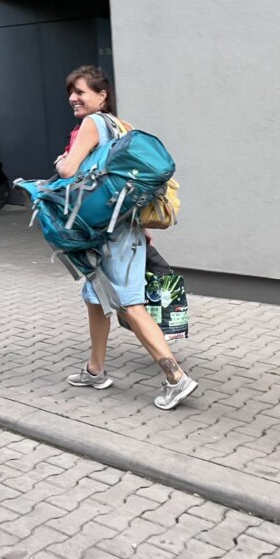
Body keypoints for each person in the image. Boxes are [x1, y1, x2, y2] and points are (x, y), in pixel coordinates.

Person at [54, 65, 198, 410]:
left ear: (102, 95)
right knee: (95, 297)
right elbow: (123, 186)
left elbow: (69, 170)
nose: (73, 97)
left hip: (109, 235)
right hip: (122, 229)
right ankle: (95, 370)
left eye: (81, 91)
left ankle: (176, 378)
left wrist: (61, 161)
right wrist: (141, 229)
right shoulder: (122, 126)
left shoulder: (92, 123)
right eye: (71, 91)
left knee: (129, 304)